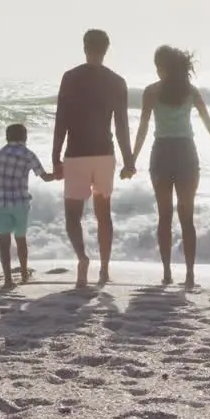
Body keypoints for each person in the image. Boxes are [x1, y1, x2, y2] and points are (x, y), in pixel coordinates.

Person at [131, 45, 210, 288]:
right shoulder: (191, 92)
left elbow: (144, 128)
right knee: (186, 217)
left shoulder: (151, 92)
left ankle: (169, 273)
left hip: (163, 153)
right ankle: (188, 274)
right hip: (186, 153)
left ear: (164, 67)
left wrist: (132, 159)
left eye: (158, 66)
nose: (156, 71)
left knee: (165, 216)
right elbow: (208, 123)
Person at [52, 29, 136, 288]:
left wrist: (55, 157)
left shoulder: (70, 78)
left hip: (76, 155)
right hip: (104, 155)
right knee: (104, 215)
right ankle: (105, 269)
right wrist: (128, 160)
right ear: (106, 49)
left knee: (72, 216)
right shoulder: (117, 81)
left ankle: (82, 258)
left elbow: (61, 120)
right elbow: (122, 125)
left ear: (84, 47)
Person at [0, 123, 54, 289]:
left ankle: (8, 279)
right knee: (20, 239)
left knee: (4, 242)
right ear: (25, 137)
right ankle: (23, 273)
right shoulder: (28, 155)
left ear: (7, 137)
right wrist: (61, 174)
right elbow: (45, 177)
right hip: (20, 203)